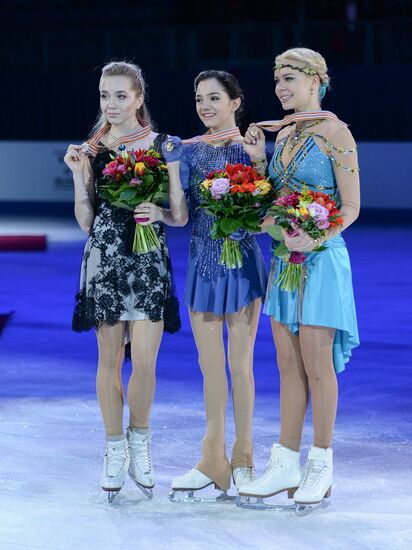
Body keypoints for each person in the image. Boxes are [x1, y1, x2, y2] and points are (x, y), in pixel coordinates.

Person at [240, 47, 360, 512]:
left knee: (316, 364)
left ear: (316, 81)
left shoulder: (336, 133)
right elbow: (275, 199)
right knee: (287, 366)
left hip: (323, 259)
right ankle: (286, 460)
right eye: (277, 80)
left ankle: (320, 463)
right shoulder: (285, 136)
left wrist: (316, 237)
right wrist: (255, 164)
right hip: (284, 261)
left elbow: (350, 207)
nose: (280, 88)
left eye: (289, 79)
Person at [64, 61, 188, 502]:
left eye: (120, 96)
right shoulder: (93, 149)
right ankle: (114, 447)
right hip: (106, 256)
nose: (110, 104)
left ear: (138, 98)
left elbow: (180, 216)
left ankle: (140, 440)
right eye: (104, 95)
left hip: (148, 256)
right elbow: (85, 222)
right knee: (109, 361)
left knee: (147, 362)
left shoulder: (160, 144)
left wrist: (160, 210)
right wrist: (81, 178)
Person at [169, 70, 268, 500]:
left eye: (214, 98)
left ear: (235, 102)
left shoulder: (251, 148)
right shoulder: (189, 151)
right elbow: (182, 215)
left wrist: (260, 162)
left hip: (243, 264)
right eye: (198, 99)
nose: (205, 106)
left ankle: (243, 457)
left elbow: (267, 214)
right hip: (203, 266)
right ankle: (213, 458)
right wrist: (173, 169)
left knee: (241, 366)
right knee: (209, 368)